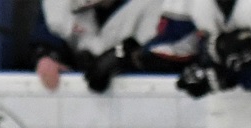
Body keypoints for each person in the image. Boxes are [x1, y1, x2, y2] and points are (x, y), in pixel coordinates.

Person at [31, 0, 203, 93]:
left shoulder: (161, 5)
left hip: (146, 108)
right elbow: (48, 34)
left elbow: (180, 48)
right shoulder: (58, 4)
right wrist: (47, 56)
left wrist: (130, 58)